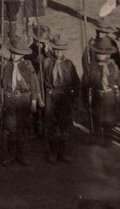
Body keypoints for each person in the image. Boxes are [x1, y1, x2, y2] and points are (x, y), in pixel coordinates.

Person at [0, 41, 41, 167]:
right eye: (13, 53)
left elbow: (35, 86)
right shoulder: (4, 66)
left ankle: (22, 155)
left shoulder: (28, 66)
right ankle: (10, 155)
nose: (15, 56)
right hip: (9, 99)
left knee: (23, 128)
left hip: (24, 99)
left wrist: (34, 102)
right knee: (10, 128)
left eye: (18, 53)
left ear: (23, 54)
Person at [82, 36, 120, 146]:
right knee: (96, 116)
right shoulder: (90, 67)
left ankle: (108, 137)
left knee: (109, 118)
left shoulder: (113, 67)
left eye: (103, 53)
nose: (101, 55)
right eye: (98, 52)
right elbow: (84, 85)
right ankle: (96, 135)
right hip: (96, 95)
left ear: (109, 54)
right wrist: (84, 100)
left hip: (109, 96)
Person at [43, 35, 80, 163]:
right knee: (51, 125)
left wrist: (74, 98)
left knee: (63, 125)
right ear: (53, 50)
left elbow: (76, 83)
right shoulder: (46, 62)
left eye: (61, 50)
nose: (58, 53)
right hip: (51, 96)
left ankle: (62, 152)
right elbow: (41, 81)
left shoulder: (69, 64)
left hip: (64, 97)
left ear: (65, 51)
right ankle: (52, 152)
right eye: (56, 50)